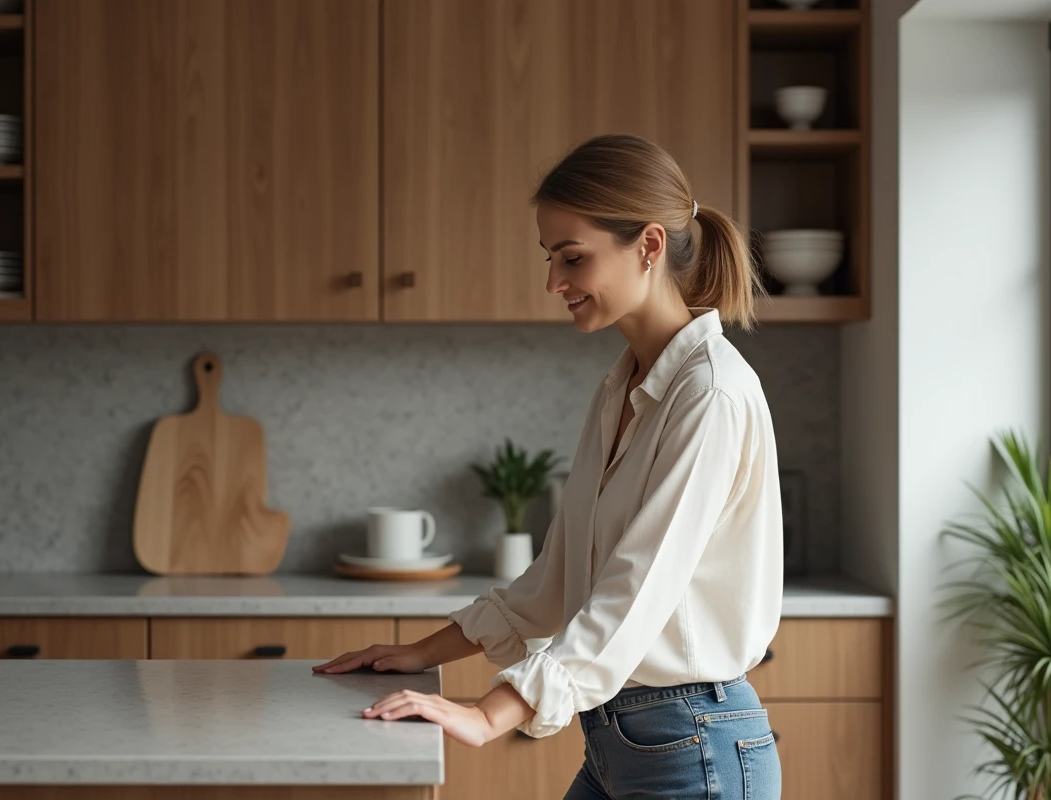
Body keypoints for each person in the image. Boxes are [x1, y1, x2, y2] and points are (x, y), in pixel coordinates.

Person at [313, 133, 783, 799]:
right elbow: (561, 578)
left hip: (694, 748)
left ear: (648, 246)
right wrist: (423, 652)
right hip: (627, 742)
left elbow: (632, 595)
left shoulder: (709, 394)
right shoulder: (622, 388)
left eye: (573, 257)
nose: (554, 282)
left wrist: (489, 713)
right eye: (551, 258)